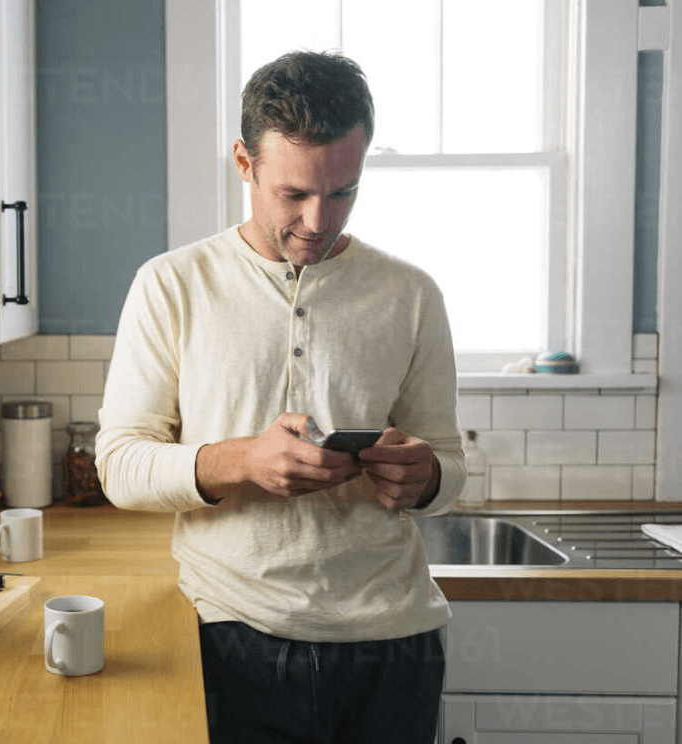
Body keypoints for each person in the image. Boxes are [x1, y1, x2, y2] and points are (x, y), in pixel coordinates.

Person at [95, 50, 465, 743]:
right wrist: (240, 461)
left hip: (395, 644)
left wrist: (427, 475)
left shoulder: (411, 295)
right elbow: (119, 465)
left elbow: (447, 468)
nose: (318, 220)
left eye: (343, 191)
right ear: (245, 163)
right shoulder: (172, 285)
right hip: (233, 640)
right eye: (293, 195)